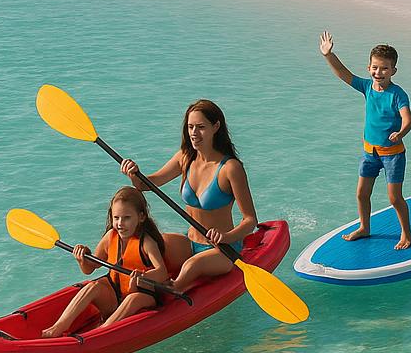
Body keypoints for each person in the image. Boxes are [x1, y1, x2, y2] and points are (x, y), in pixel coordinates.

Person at [120, 99, 259, 290]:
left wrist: (225, 237)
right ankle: (128, 284)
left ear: (216, 126)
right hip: (190, 242)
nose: (194, 133)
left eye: (200, 127)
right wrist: (133, 173)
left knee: (192, 265)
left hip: (222, 250)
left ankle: (174, 288)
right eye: (190, 127)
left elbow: (250, 220)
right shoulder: (185, 158)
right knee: (155, 242)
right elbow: (147, 184)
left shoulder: (230, 168)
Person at [319, 32, 411, 249]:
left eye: (384, 68)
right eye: (374, 67)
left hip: (392, 155)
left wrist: (400, 133)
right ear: (368, 67)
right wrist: (328, 55)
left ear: (393, 71)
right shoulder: (367, 87)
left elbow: (409, 120)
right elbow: (344, 74)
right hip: (369, 152)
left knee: (394, 198)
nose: (378, 72)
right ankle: (364, 227)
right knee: (362, 194)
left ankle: (406, 234)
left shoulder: (398, 94)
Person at [41, 187, 168, 337]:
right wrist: (82, 258)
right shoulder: (110, 237)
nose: (120, 223)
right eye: (116, 218)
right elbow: (90, 268)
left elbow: (162, 273)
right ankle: (59, 326)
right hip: (114, 295)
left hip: (141, 295)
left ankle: (101, 333)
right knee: (93, 286)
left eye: (126, 218)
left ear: (141, 217)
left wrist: (144, 276)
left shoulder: (146, 243)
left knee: (134, 299)